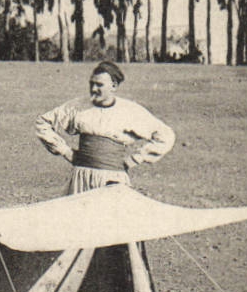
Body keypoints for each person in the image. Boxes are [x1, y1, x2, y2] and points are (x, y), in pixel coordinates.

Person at [35, 60, 175, 195]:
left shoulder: (129, 110)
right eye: (91, 84)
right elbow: (43, 122)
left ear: (113, 86)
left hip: (113, 180)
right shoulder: (78, 106)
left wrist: (135, 159)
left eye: (99, 85)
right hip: (81, 177)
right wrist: (65, 151)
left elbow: (165, 135)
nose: (93, 89)